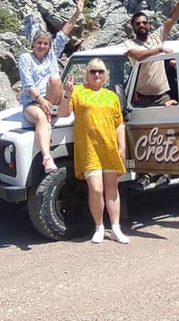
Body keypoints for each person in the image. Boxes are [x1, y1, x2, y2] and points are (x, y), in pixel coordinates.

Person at [58, 58, 129, 244]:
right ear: (87, 74)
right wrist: (67, 93)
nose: (97, 74)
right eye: (93, 71)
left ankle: (115, 228)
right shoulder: (78, 92)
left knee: (112, 189)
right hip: (89, 148)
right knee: (96, 189)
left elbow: (119, 123)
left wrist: (122, 146)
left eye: (101, 72)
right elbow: (63, 113)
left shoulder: (111, 96)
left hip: (109, 147)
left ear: (105, 76)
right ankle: (99, 227)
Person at [18, 0, 84, 173]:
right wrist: (41, 101)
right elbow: (27, 84)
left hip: (53, 99)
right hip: (33, 101)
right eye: (39, 43)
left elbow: (64, 33)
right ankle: (47, 158)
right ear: (33, 44)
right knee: (39, 117)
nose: (42, 46)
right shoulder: (25, 58)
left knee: (55, 78)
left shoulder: (52, 55)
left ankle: (50, 113)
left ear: (49, 46)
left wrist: (77, 13)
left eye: (45, 43)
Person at [124, 0, 179, 108]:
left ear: (149, 25)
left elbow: (171, 19)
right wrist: (160, 50)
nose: (141, 26)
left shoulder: (157, 37)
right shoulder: (129, 44)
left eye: (144, 23)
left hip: (163, 98)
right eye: (138, 24)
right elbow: (139, 56)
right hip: (141, 100)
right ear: (133, 27)